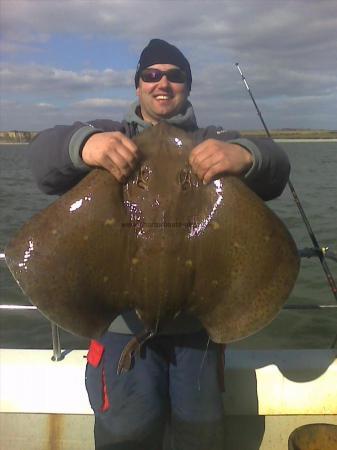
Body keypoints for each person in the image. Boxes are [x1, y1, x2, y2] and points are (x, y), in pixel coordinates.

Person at [29, 39, 290, 450]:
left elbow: (277, 166)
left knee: (200, 437)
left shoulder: (213, 138)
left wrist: (245, 154)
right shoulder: (110, 133)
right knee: (126, 435)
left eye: (175, 76)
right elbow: (41, 159)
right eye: (151, 75)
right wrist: (83, 145)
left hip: (196, 331)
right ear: (138, 86)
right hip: (120, 329)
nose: (162, 83)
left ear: (188, 86)